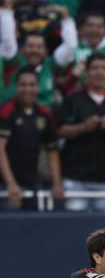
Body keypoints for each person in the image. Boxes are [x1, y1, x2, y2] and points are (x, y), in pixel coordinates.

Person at [56, 52, 105, 211]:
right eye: (95, 68)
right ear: (87, 72)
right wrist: (82, 127)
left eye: (104, 68)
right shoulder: (74, 98)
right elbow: (59, 131)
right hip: (76, 177)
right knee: (75, 224)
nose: (100, 72)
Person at [0, 66, 63, 209]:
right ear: (15, 87)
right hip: (5, 185)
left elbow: (52, 150)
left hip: (32, 183)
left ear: (38, 87)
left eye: (32, 85)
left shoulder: (44, 114)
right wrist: (11, 184)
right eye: (23, 85)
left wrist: (57, 183)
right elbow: (0, 149)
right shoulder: (6, 112)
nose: (27, 89)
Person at [0, 3, 77, 107]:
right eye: (30, 46)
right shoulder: (13, 62)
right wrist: (8, 7)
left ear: (46, 51)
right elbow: (7, 40)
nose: (35, 50)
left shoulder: (51, 65)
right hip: (11, 118)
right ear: (22, 49)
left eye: (39, 47)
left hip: (44, 119)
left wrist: (65, 15)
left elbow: (70, 46)